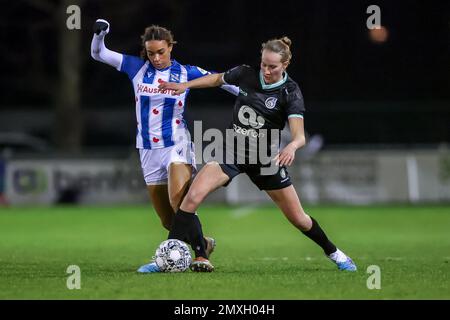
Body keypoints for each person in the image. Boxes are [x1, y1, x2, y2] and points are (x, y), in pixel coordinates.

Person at [159, 37, 357, 272]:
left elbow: (300, 136)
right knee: (191, 198)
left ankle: (334, 253)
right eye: (264, 64)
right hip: (231, 152)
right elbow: (216, 79)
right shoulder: (245, 74)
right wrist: (185, 86)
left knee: (299, 219)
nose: (266, 70)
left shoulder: (290, 92)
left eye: (272, 66)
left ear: (285, 64)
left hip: (265, 161)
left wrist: (292, 146)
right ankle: (169, 259)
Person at [90, 19, 239, 273]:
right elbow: (98, 53)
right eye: (151, 53)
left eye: (161, 51)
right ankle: (203, 242)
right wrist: (100, 35)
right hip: (148, 149)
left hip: (176, 144)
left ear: (170, 47)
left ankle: (200, 256)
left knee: (178, 200)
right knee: (167, 219)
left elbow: (220, 80)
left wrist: (253, 96)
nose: (156, 57)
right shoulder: (137, 68)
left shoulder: (186, 72)